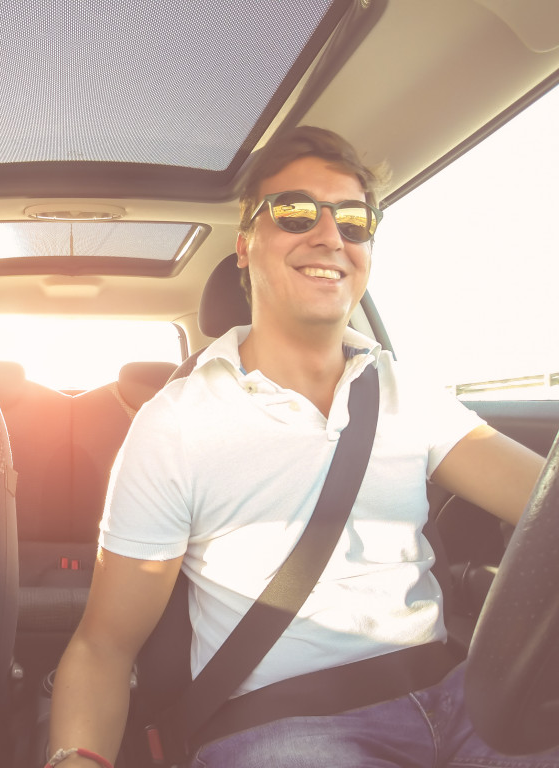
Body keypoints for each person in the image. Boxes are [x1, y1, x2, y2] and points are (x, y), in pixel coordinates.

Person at [47, 127, 556, 768]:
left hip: (458, 694)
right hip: (287, 723)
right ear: (244, 246)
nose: (329, 236)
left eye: (353, 221)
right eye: (293, 212)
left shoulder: (401, 388)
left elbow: (545, 506)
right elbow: (103, 645)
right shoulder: (177, 422)